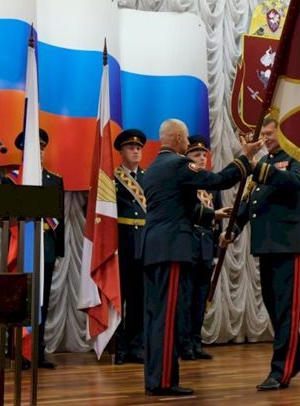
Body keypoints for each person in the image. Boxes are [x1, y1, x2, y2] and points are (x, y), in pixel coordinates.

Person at [141, 119, 262, 396]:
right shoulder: (178, 164)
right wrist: (245, 157)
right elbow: (218, 181)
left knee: (156, 315)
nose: (187, 144)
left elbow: (179, 207)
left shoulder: (153, 169)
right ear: (177, 138)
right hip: (172, 249)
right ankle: (164, 382)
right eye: (185, 139)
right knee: (169, 316)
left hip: (153, 248)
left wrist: (213, 215)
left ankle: (155, 378)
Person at [223, 118, 300, 391]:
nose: (265, 138)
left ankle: (280, 372)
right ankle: (298, 354)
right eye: (263, 133)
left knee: (287, 310)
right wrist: (234, 228)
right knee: (274, 308)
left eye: (270, 133)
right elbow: (250, 200)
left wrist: (258, 168)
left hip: (290, 245)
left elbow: (295, 182)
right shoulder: (264, 163)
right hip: (266, 245)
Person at [6, 128, 65, 369]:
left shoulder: (54, 180)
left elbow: (60, 218)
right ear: (23, 150)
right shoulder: (11, 179)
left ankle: (38, 353)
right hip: (22, 244)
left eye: (42, 148)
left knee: (42, 301)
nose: (39, 152)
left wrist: (59, 250)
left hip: (46, 245)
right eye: (34, 147)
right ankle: (19, 352)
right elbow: (7, 216)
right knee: (20, 300)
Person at [177, 135, 230, 361]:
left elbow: (218, 221)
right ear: (187, 157)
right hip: (188, 243)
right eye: (196, 154)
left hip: (206, 245)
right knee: (186, 297)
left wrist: (217, 251)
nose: (201, 158)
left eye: (203, 154)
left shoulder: (212, 186)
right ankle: (184, 344)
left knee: (201, 297)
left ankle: (196, 341)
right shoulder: (184, 181)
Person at [112, 129, 147, 364]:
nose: (135, 151)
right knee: (119, 297)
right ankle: (119, 347)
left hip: (143, 244)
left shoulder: (148, 178)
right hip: (121, 244)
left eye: (138, 148)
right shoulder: (112, 179)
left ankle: (137, 346)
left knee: (139, 298)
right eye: (130, 147)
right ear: (121, 152)